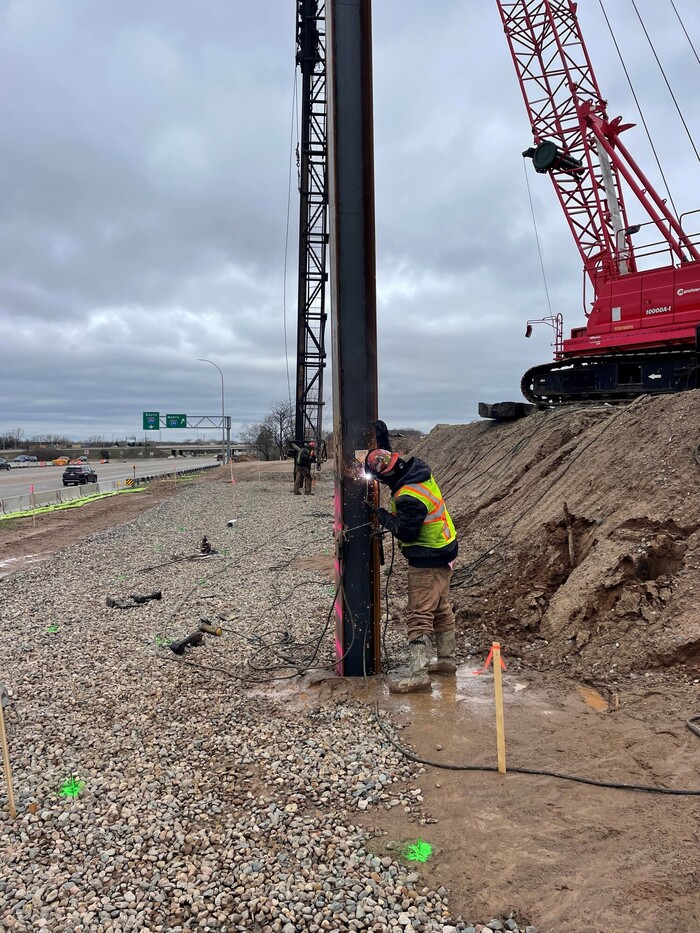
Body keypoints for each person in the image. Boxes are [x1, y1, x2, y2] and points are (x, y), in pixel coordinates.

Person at [365, 448, 458, 693]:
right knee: (440, 606)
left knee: (419, 614)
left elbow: (406, 531)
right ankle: (447, 662)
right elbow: (388, 465)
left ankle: (418, 677)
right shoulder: (418, 473)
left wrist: (382, 516)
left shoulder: (408, 497)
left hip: (428, 558)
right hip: (445, 548)